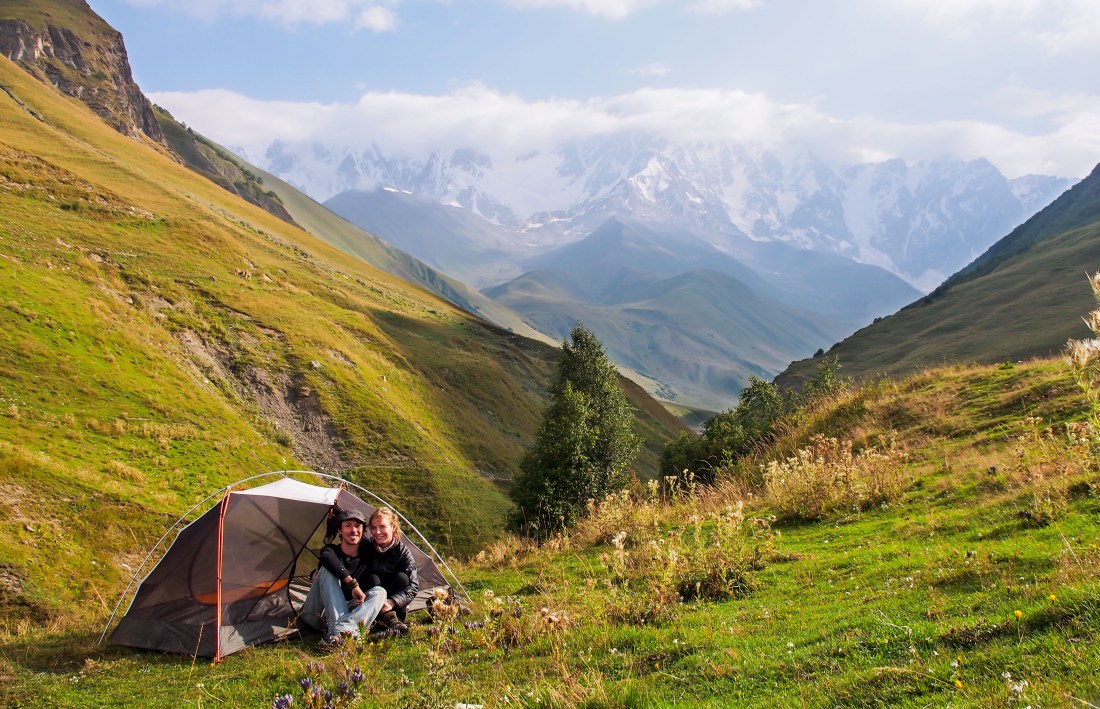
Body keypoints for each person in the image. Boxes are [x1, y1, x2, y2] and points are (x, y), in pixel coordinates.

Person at [298, 508, 386, 648]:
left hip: (346, 611)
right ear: (339, 530)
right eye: (347, 526)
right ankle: (343, 632)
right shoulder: (330, 551)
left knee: (380, 592)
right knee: (326, 570)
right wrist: (352, 584)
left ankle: (338, 634)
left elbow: (391, 548)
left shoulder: (368, 553)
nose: (353, 530)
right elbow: (327, 559)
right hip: (317, 614)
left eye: (357, 526)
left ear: (363, 531)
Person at [363, 507, 419, 636]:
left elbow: (414, 586)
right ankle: (386, 620)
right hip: (371, 599)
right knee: (372, 578)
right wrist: (317, 570)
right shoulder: (366, 546)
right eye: (374, 528)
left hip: (393, 604)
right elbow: (344, 556)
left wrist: (392, 601)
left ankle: (389, 619)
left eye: (382, 527)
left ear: (393, 527)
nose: (377, 532)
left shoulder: (403, 552)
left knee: (402, 578)